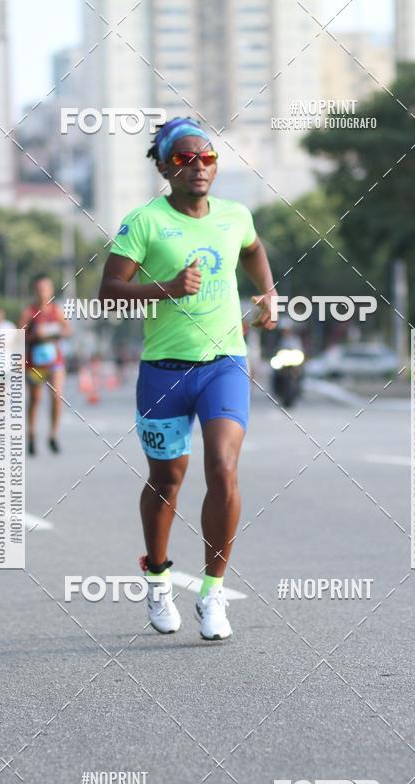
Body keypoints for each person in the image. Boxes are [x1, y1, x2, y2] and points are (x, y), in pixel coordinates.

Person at [99, 116, 277, 641]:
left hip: (224, 363)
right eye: (184, 158)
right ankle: (157, 578)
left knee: (223, 469)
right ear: (164, 167)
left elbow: (252, 249)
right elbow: (109, 291)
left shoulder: (235, 215)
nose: (198, 166)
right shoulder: (145, 222)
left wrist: (268, 292)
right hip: (164, 371)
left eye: (207, 157)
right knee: (167, 479)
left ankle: (212, 593)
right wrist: (167, 288)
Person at [19, 274, 70, 455]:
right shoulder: (29, 312)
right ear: (35, 291)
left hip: (55, 361)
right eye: (40, 289)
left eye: (46, 289)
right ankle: (32, 434)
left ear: (51, 290)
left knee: (56, 397)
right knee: (36, 399)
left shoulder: (56, 311)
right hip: (35, 363)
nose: (43, 292)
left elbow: (67, 329)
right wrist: (35, 336)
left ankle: (53, 434)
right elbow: (18, 336)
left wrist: (53, 333)